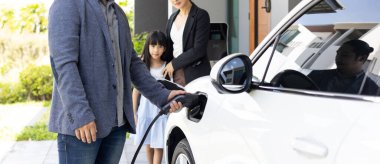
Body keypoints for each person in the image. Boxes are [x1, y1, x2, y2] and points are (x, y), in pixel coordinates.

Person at [48, 0, 185, 163]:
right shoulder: (67, 5)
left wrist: (163, 95)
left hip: (116, 126)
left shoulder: (118, 13)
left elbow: (132, 62)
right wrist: (80, 115)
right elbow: (63, 65)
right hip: (82, 128)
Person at [132, 30, 173, 164]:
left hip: (160, 111)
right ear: (148, 46)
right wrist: (134, 113)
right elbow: (136, 92)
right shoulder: (143, 66)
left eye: (160, 46)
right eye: (153, 46)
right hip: (145, 111)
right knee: (148, 144)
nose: (156, 50)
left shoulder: (167, 66)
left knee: (158, 144)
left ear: (165, 48)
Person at [162, 0, 211, 86]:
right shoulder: (172, 18)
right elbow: (168, 48)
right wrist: (148, 56)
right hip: (175, 73)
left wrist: (174, 64)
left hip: (195, 74)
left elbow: (199, 49)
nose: (175, 0)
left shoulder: (201, 15)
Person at [308, 39, 379, 96]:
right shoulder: (316, 75)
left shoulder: (372, 89)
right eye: (338, 54)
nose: (338, 58)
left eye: (344, 55)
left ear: (361, 58)